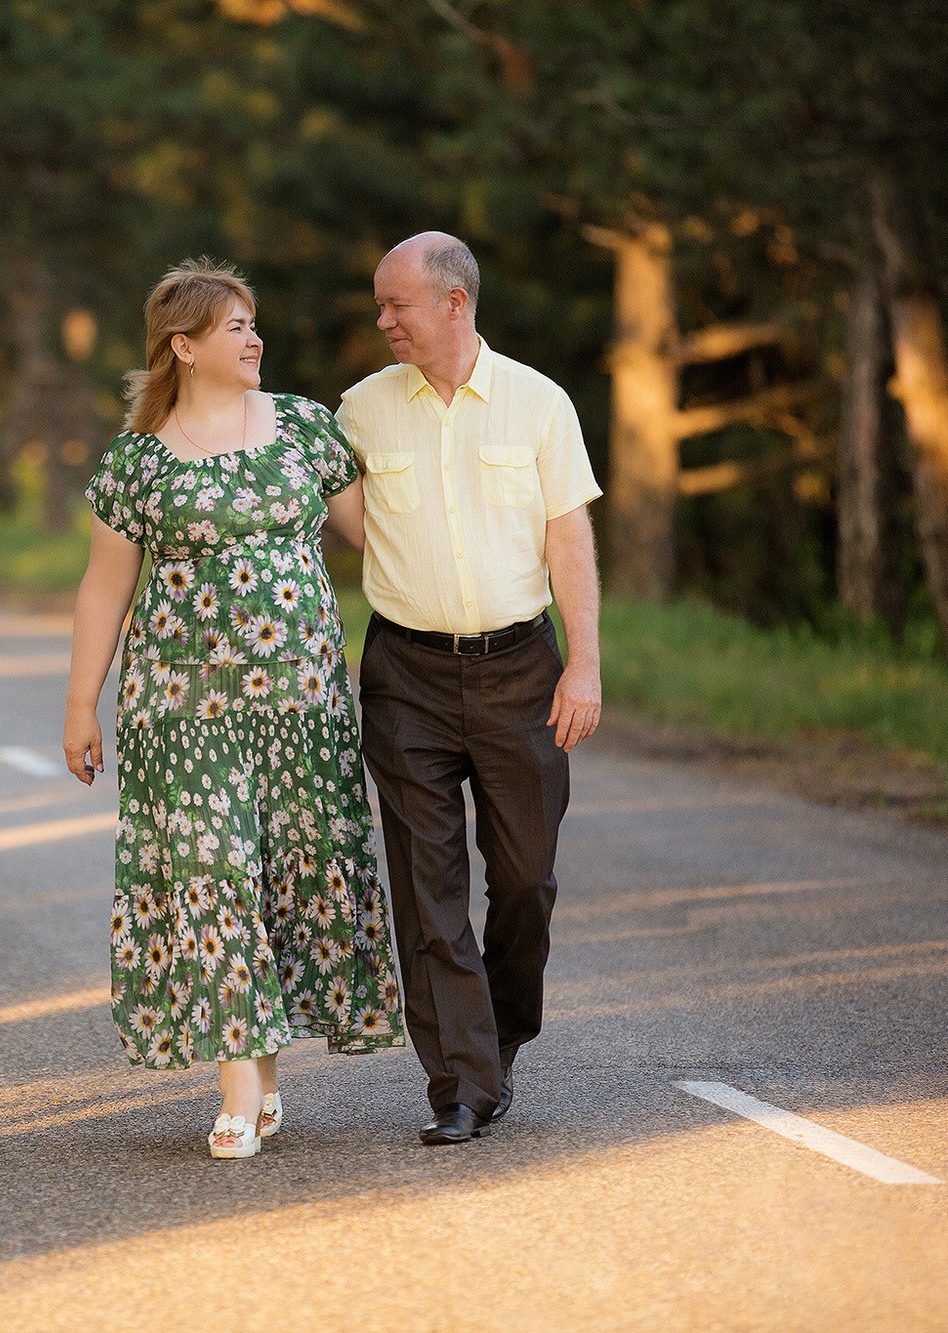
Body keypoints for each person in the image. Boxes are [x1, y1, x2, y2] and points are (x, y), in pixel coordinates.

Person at [64, 258, 404, 1160]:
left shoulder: (302, 428)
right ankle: (240, 1081)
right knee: (213, 874)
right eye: (235, 328)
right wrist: (80, 705)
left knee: (282, 875)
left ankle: (262, 1066)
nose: (255, 339)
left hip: (302, 701)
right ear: (184, 347)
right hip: (180, 706)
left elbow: (383, 542)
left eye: (255, 324)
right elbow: (104, 591)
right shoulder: (137, 463)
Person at [336, 232, 604, 1146]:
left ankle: (498, 1038)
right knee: (428, 885)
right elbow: (322, 506)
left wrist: (585, 661)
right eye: (379, 304)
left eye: (396, 304)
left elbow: (568, 538)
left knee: (526, 878)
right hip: (404, 673)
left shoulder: (538, 403)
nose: (382, 321)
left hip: (520, 669)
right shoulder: (361, 412)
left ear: (455, 302)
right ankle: (459, 1081)